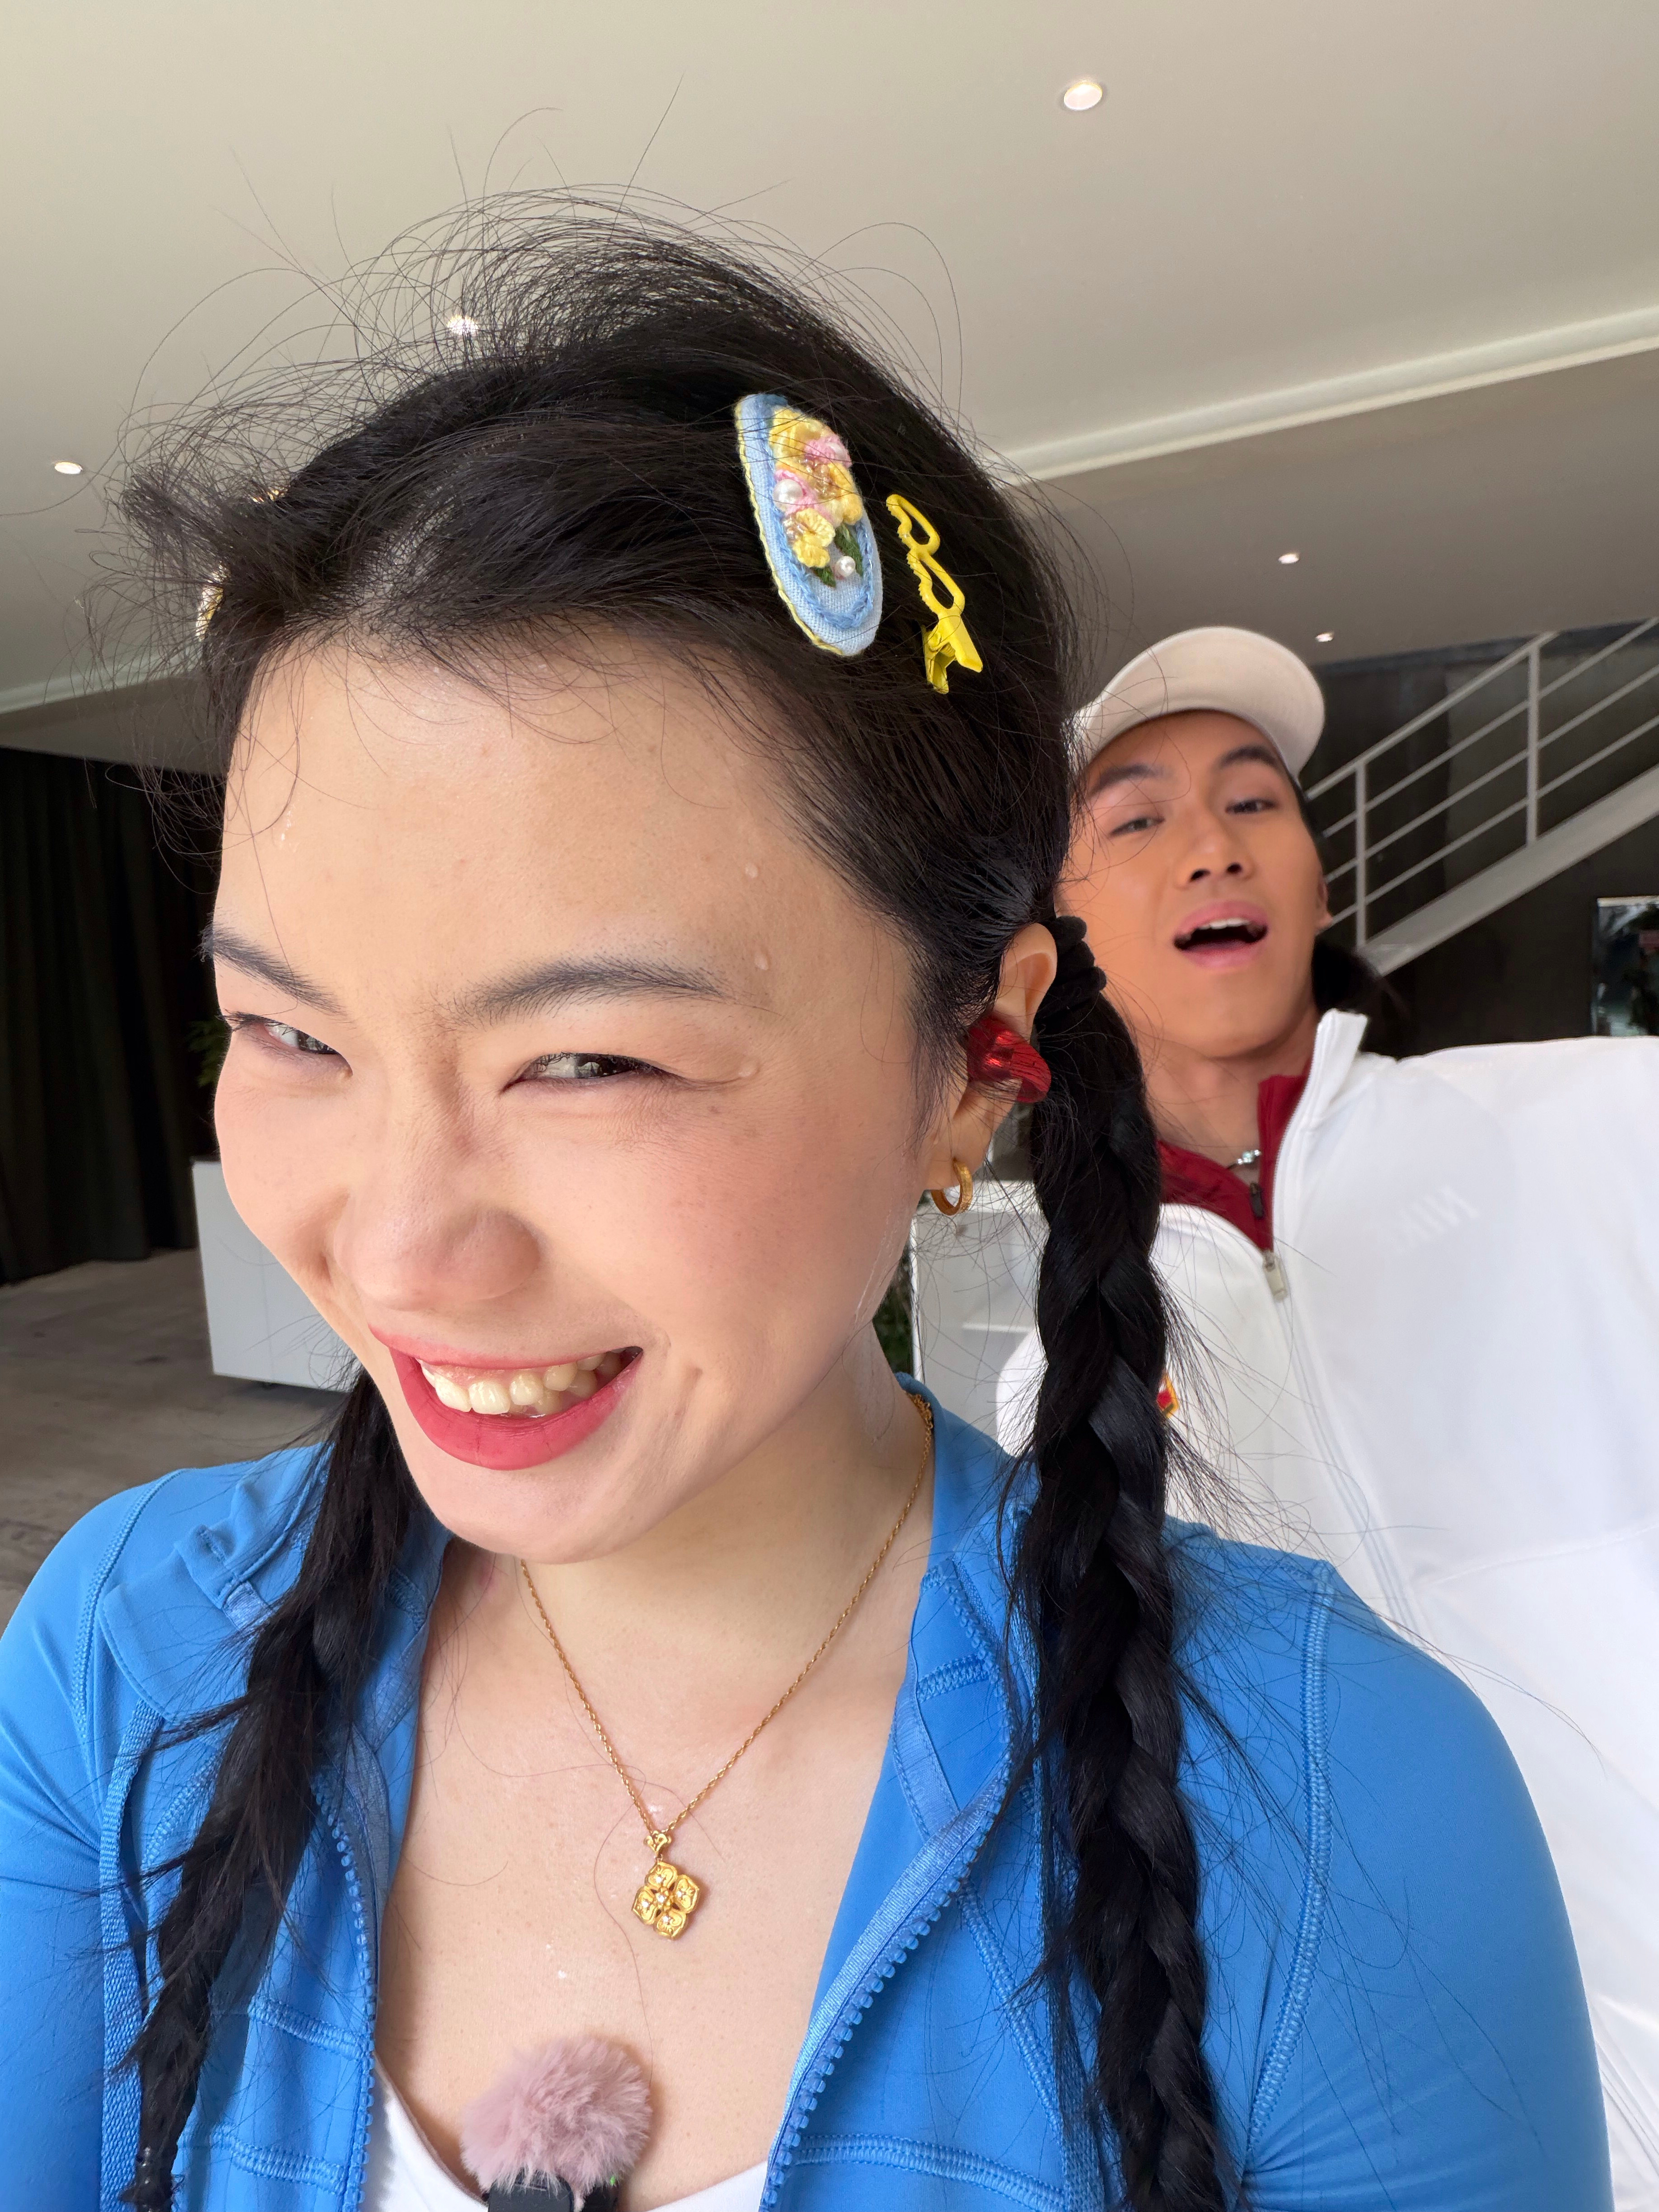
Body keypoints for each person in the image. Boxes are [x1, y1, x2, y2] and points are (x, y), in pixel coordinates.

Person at [0, 221, 1612, 2212]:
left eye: (590, 1060)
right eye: (289, 1031)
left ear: (973, 1060)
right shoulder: (130, 1662)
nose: (396, 1252)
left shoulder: (1340, 1802)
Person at [998, 623, 1659, 2206]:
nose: (1213, 845)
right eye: (1138, 820)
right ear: (1052, 943)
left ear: (1315, 877)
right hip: (1416, 2120)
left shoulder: (1598, 1126)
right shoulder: (1060, 1384)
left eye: (1256, 803)